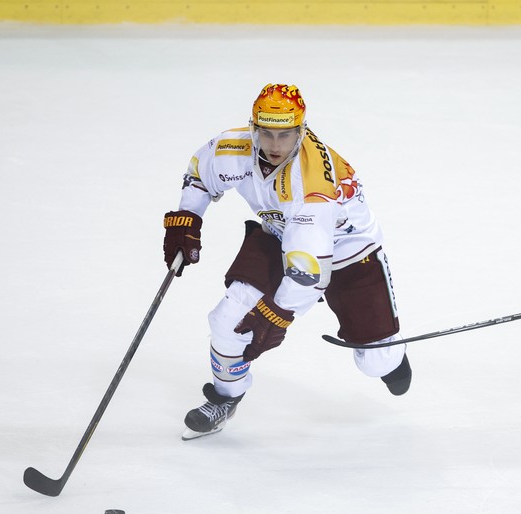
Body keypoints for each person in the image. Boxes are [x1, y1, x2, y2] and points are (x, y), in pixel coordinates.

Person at [163, 83, 411, 440]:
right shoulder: (234, 147)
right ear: (254, 128)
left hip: (348, 251)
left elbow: (308, 272)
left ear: (302, 130)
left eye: (285, 134)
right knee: (227, 321)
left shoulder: (311, 187)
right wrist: (187, 219)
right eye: (267, 133)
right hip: (281, 234)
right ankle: (225, 397)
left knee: (380, 365)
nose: (275, 145)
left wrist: (276, 315)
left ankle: (389, 353)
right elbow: (201, 175)